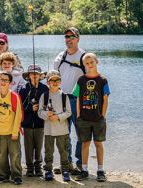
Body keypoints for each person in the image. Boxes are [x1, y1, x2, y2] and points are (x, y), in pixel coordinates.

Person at [73, 53, 110, 182]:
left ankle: (100, 170)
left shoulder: (103, 80)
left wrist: (103, 116)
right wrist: (78, 115)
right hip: (83, 118)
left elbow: (105, 100)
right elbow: (77, 98)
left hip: (98, 118)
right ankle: (84, 170)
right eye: (87, 63)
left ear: (96, 62)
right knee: (85, 144)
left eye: (91, 62)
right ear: (84, 65)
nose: (89, 65)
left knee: (98, 143)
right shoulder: (81, 80)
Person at [53, 27, 85, 174]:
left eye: (71, 37)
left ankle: (80, 163)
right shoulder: (60, 57)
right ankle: (67, 163)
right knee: (64, 134)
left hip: (79, 101)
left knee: (81, 134)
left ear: (78, 38)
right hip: (62, 99)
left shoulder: (84, 57)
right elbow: (53, 79)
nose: (68, 40)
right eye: (66, 37)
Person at [38, 70, 72, 182]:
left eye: (57, 80)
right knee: (48, 151)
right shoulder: (44, 95)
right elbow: (39, 112)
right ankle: (48, 170)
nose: (55, 82)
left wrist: (57, 117)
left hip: (62, 130)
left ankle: (65, 170)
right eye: (52, 80)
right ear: (48, 82)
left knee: (64, 151)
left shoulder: (64, 96)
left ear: (60, 82)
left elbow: (68, 112)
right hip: (48, 130)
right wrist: (47, 114)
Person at [0, 72, 23, 185]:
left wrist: (15, 132)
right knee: (1, 156)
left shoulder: (14, 96)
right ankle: (3, 175)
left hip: (12, 132)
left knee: (15, 155)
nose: (3, 82)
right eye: (1, 80)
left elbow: (18, 115)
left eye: (6, 80)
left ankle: (16, 175)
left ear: (10, 83)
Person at [19, 64, 49, 177]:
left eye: (37, 74)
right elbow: (20, 107)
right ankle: (29, 168)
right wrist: (30, 108)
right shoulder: (23, 89)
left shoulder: (45, 89)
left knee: (39, 146)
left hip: (40, 124)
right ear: (29, 76)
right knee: (28, 147)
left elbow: (48, 105)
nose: (34, 76)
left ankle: (38, 167)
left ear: (40, 76)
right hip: (27, 124)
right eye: (32, 74)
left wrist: (41, 108)